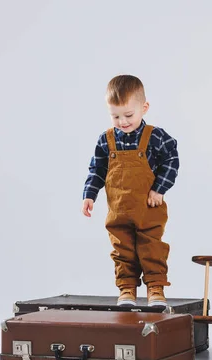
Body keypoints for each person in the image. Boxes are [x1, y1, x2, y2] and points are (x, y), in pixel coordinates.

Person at [82, 75, 179, 308]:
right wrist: (89, 194)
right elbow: (97, 169)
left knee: (151, 247)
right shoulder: (105, 140)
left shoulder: (156, 137)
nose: (122, 122)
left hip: (149, 207)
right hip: (119, 210)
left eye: (128, 115)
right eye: (115, 116)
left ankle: (155, 287)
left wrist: (159, 189)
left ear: (144, 108)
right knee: (121, 248)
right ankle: (127, 288)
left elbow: (172, 160)